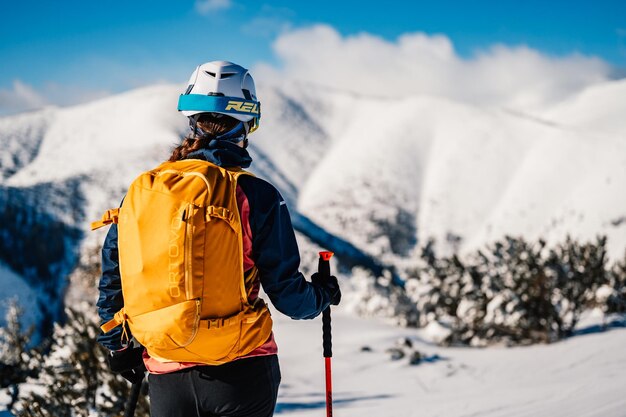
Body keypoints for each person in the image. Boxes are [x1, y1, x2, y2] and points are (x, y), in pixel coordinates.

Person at [95, 60, 341, 417]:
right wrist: (322, 295)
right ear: (248, 123)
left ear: (191, 120)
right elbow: (290, 299)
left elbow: (113, 281)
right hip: (242, 371)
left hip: (167, 372)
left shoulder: (141, 193)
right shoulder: (255, 196)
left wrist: (118, 349)